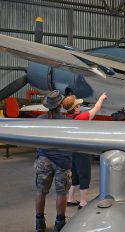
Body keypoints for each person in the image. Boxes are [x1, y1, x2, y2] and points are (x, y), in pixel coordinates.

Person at [62, 92, 107, 209]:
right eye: (77, 105)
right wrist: (101, 98)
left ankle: (70, 198)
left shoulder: (69, 118)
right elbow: (96, 108)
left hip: (73, 151)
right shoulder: (82, 117)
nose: (79, 106)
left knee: (76, 176)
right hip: (82, 151)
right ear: (75, 109)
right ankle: (83, 202)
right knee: (84, 175)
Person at [35, 90, 72, 232]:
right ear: (60, 105)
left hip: (43, 159)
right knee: (61, 193)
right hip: (62, 161)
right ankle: (59, 224)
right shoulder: (68, 122)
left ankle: (39, 223)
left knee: (40, 191)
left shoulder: (40, 121)